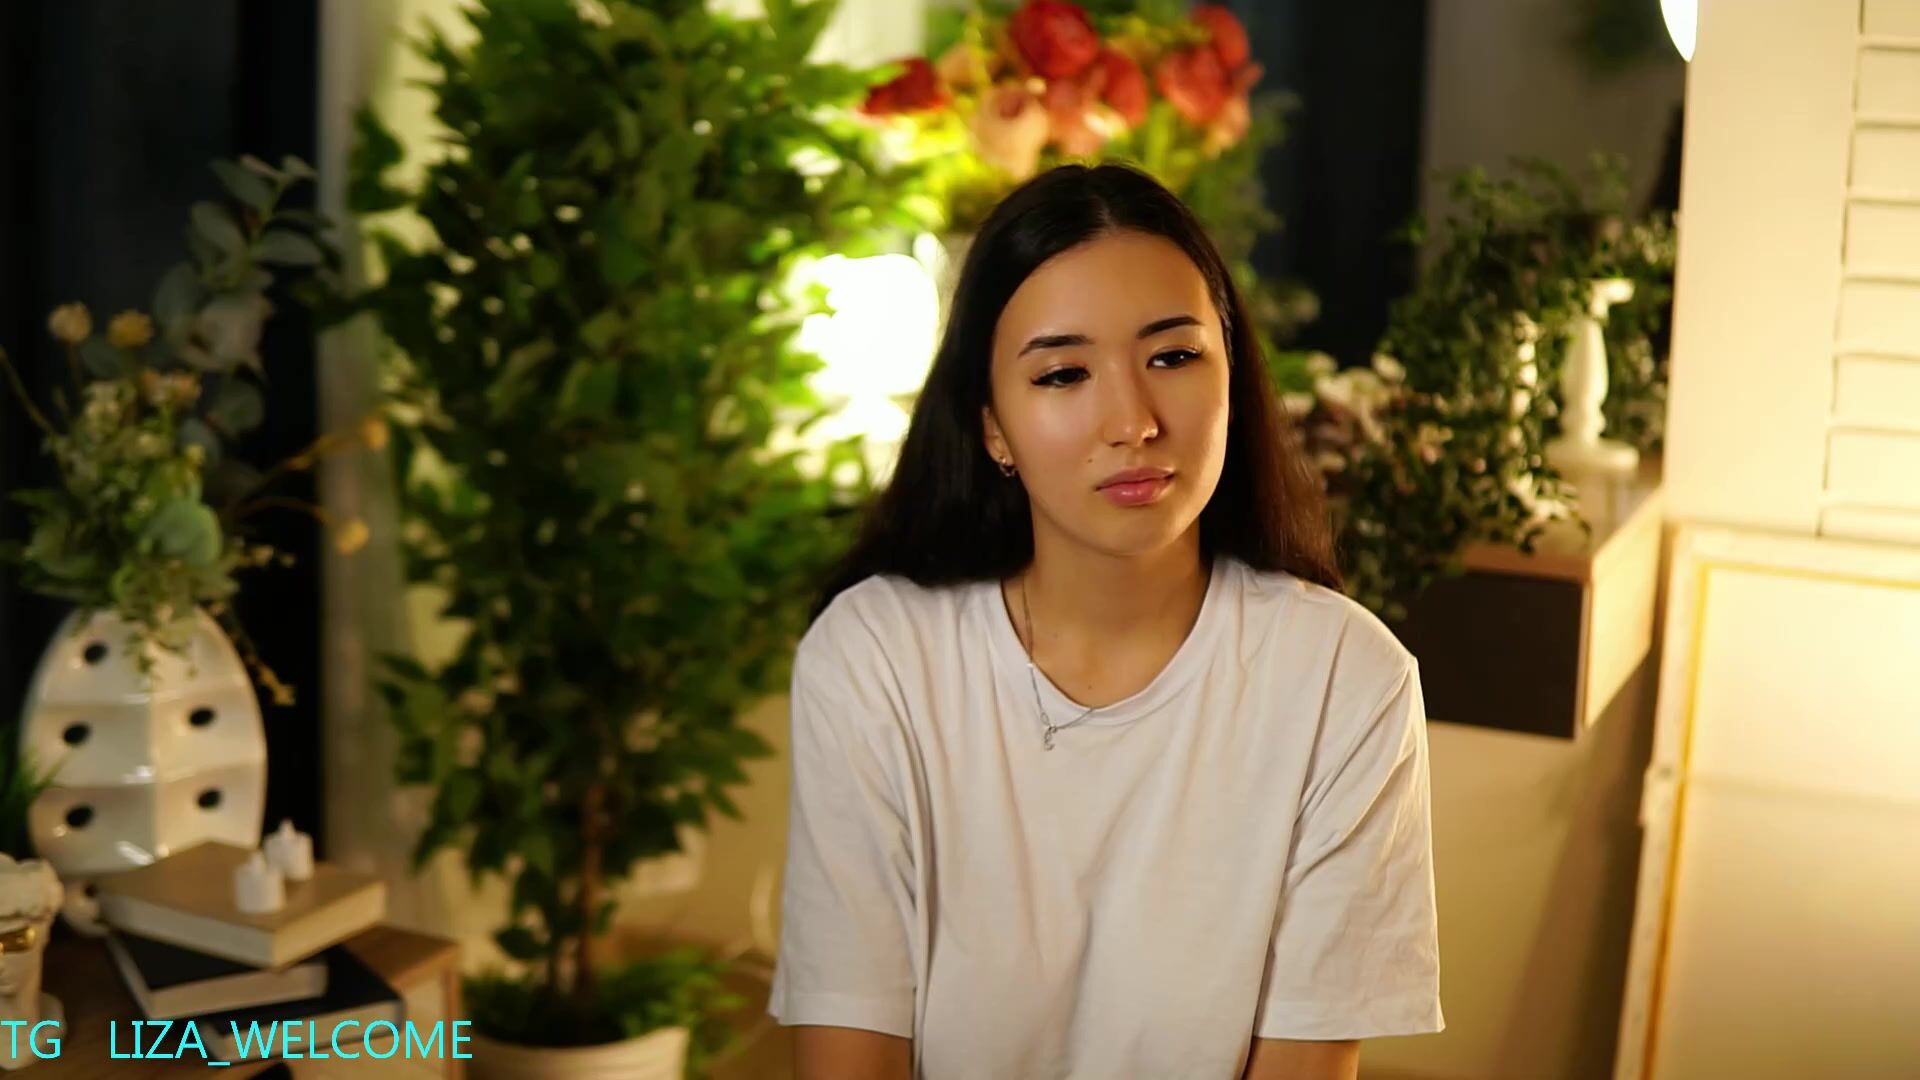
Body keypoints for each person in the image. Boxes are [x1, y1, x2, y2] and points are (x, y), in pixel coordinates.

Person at [769, 163, 1442, 1080]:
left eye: (1173, 357)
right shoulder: (876, 659)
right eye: (1063, 373)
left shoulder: (1343, 681)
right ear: (993, 428)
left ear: (1233, 374)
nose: (1132, 421)